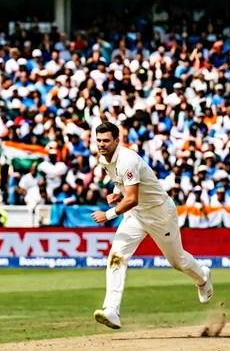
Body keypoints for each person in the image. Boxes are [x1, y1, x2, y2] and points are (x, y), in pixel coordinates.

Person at [91, 122, 213, 330]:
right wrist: (117, 192)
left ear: (117, 141)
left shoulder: (127, 159)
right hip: (136, 217)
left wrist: (108, 214)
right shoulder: (104, 159)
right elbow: (126, 187)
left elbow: (133, 199)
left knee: (177, 261)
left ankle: (202, 277)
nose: (102, 144)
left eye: (106, 140)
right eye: (99, 140)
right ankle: (112, 309)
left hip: (159, 215)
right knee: (116, 256)